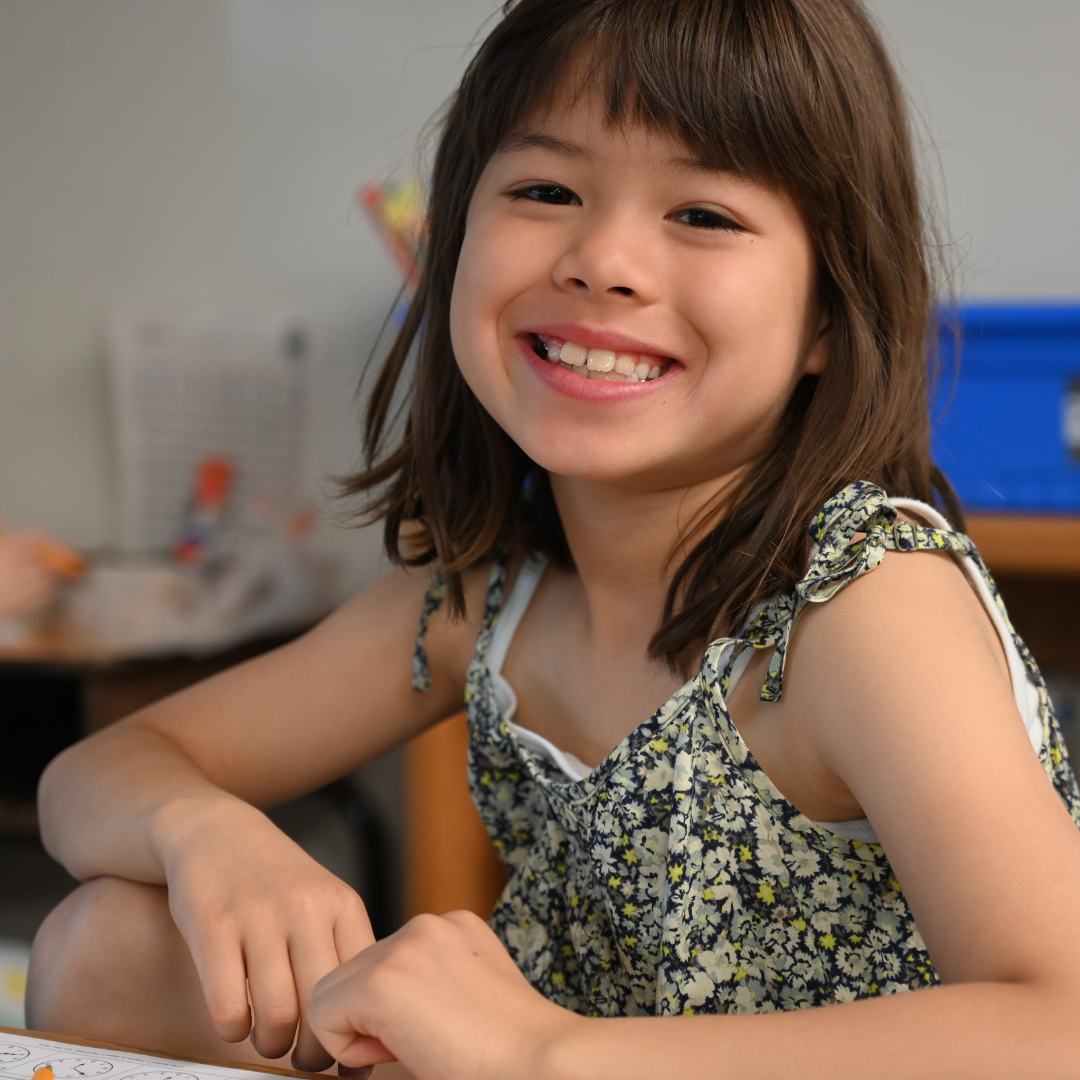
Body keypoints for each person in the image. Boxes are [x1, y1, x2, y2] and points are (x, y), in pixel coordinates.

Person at [28, 0, 1080, 1077]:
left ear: (826, 313)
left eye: (705, 214)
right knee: (110, 947)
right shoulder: (488, 596)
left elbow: (1062, 1023)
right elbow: (98, 771)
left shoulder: (863, 607)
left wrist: (547, 1051)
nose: (604, 259)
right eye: (546, 190)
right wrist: (204, 831)